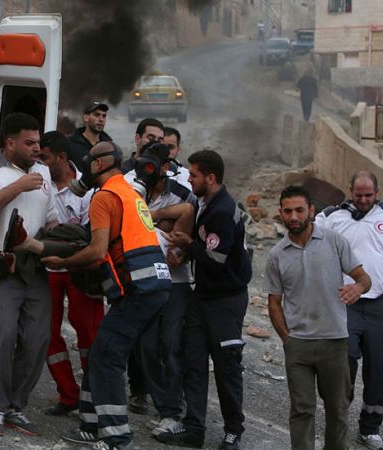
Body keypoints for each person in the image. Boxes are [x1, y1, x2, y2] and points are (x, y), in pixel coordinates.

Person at [46, 141, 172, 450]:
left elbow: (97, 251)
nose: (85, 168)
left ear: (99, 164)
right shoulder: (128, 192)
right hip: (155, 286)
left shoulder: (104, 197)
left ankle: (117, 437)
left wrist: (63, 262)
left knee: (108, 358)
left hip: (138, 290)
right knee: (101, 351)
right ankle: (91, 425)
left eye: (88, 162)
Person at [0, 112, 58, 437]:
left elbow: (51, 218)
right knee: (1, 337)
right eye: (29, 143)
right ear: (10, 143)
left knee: (37, 339)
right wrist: (17, 187)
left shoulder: (43, 171)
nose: (37, 149)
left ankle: (15, 407)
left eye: (38, 142)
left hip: (32, 270)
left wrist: (62, 239)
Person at [155, 149, 251, 450]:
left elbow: (217, 259)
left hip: (226, 300)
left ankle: (233, 431)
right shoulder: (203, 203)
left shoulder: (222, 210)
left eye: (194, 175)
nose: (189, 179)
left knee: (226, 366)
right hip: (204, 296)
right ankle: (194, 427)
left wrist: (189, 244)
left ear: (210, 177)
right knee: (193, 361)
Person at [265, 185, 372, 450]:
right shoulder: (277, 254)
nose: (294, 216)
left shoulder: (334, 241)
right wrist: (288, 339)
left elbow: (363, 278)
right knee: (302, 410)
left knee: (338, 409)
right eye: (288, 211)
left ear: (311, 211)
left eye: (299, 210)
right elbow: (274, 303)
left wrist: (358, 288)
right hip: (298, 345)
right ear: (280, 213)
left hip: (334, 342)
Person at [314, 171, 383, 450]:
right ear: (351, 191)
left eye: (369, 195)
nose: (364, 199)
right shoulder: (331, 217)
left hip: (379, 304)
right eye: (359, 195)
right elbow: (309, 244)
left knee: (380, 366)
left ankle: (370, 429)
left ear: (377, 192)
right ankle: (339, 420)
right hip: (345, 303)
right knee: (344, 361)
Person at [123, 142, 196, 435]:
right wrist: (163, 222)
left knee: (171, 345)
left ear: (166, 166)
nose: (147, 170)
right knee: (147, 346)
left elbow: (188, 227)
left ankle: (172, 412)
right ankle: (164, 405)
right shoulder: (132, 189)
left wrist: (157, 220)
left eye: (154, 164)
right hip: (143, 280)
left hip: (175, 283)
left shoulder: (182, 193)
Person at [36, 131, 104, 416]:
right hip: (48, 270)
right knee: (45, 332)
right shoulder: (39, 186)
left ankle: (96, 398)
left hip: (80, 269)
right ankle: (68, 395)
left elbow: (91, 237)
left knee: (89, 332)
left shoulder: (87, 191)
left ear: (61, 158)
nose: (39, 163)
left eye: (44, 157)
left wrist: (68, 254)